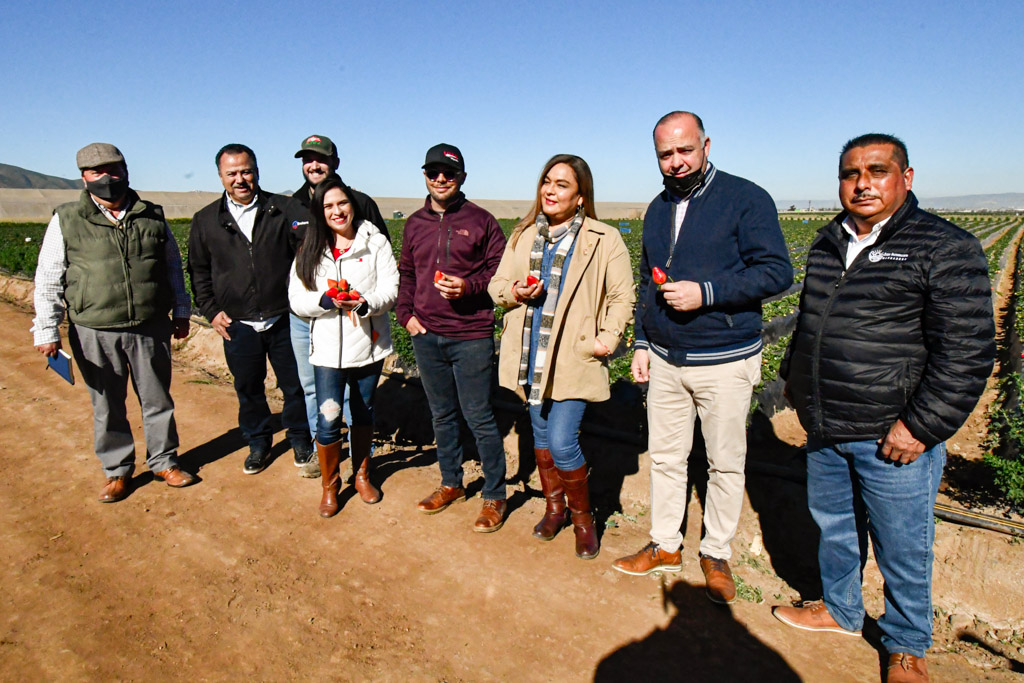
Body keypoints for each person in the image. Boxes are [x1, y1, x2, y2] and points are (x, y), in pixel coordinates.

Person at [773, 134, 995, 683]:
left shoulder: (943, 246)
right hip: (826, 423)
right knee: (836, 527)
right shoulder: (829, 243)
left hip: (892, 432)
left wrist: (919, 426)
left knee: (903, 545)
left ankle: (906, 645)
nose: (863, 183)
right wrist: (797, 388)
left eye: (877, 170)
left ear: (906, 178)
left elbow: (967, 351)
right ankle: (840, 609)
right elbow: (810, 326)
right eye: (851, 173)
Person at [612, 112, 792, 599]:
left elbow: (777, 272)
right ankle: (665, 545)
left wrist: (708, 292)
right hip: (668, 360)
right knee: (668, 459)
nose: (675, 162)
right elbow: (651, 281)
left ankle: (716, 553)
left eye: (684, 150)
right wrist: (644, 344)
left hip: (726, 359)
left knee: (724, 463)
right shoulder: (655, 209)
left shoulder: (745, 198)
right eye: (665, 155)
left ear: (706, 145)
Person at [488, 154, 635, 558]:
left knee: (562, 440)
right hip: (530, 352)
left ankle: (583, 520)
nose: (550, 191)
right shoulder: (522, 235)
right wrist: (514, 291)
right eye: (547, 182)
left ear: (581, 196)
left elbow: (623, 295)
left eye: (562, 185)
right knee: (540, 437)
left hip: (573, 354)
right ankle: (555, 510)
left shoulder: (604, 239)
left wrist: (607, 338)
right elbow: (497, 284)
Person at [32, 142, 195, 502]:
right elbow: (48, 277)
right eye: (97, 172)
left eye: (114, 169)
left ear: (126, 171)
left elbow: (171, 267)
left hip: (150, 325)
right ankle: (117, 470)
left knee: (157, 400)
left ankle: (164, 461)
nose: (107, 178)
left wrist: (181, 311)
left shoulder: (151, 215)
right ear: (84, 178)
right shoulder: (67, 219)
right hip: (93, 327)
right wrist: (46, 329)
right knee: (107, 404)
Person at [395, 143, 509, 532]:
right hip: (426, 334)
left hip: (471, 334)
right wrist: (405, 315)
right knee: (442, 414)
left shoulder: (482, 221)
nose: (440, 178)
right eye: (433, 172)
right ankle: (451, 483)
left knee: (479, 415)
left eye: (449, 172)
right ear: (425, 176)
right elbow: (407, 273)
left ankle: (495, 494)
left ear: (462, 177)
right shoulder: (414, 223)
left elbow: (500, 274)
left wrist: (470, 287)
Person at [187, 144, 312, 475]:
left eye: (246, 171)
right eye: (232, 173)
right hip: (237, 324)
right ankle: (258, 442)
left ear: (256, 171)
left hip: (284, 316)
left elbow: (308, 255)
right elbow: (198, 271)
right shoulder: (206, 221)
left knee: (295, 384)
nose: (240, 179)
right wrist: (211, 310)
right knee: (248, 387)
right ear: (220, 176)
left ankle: (301, 437)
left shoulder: (283, 209)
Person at [288, 177, 398, 516]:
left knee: (363, 412)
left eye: (342, 203)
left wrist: (366, 303)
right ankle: (330, 485)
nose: (337, 211)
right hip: (326, 351)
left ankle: (362, 475)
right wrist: (324, 299)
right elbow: (296, 298)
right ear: (320, 213)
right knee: (329, 418)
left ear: (353, 204)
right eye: (328, 206)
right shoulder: (310, 247)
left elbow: (391, 288)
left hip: (367, 345)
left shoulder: (375, 242)